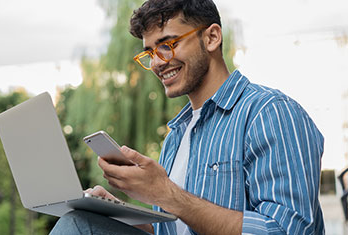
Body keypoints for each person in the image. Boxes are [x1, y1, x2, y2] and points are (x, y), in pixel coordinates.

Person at [50, 0, 325, 234]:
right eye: (149, 52)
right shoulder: (177, 136)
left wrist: (165, 193)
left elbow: (289, 229)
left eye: (167, 44)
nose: (157, 62)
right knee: (81, 223)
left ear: (212, 37)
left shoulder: (270, 112)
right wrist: (116, 210)